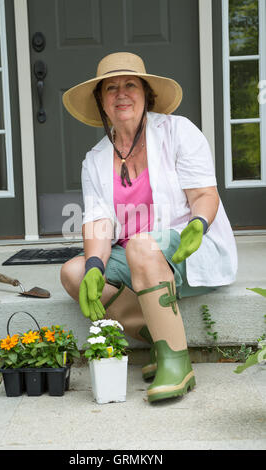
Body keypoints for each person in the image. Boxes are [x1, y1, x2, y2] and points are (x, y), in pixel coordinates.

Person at [60, 52, 238, 403]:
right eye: (111, 88)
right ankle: (158, 338)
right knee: (74, 273)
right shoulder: (95, 159)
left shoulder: (178, 131)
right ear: (101, 101)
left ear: (146, 93)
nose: (121, 94)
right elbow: (97, 220)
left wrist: (199, 224)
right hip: (139, 254)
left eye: (130, 85)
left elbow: (204, 194)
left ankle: (178, 362)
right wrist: (95, 265)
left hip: (188, 245)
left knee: (141, 245)